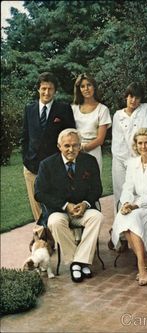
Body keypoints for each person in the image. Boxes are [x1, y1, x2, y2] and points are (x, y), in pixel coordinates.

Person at [34, 128, 104, 283]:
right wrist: (66, 205)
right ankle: (76, 262)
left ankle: (79, 261)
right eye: (67, 146)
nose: (71, 149)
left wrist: (85, 204)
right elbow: (39, 193)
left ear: (80, 146)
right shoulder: (47, 165)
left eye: (75, 145)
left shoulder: (89, 161)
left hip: (83, 209)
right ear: (59, 146)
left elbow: (97, 189)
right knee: (55, 222)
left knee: (97, 217)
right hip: (60, 210)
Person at [111, 128, 147, 286]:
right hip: (136, 204)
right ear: (135, 146)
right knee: (125, 216)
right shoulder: (132, 163)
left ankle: (141, 265)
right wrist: (125, 203)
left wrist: (135, 205)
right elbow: (128, 187)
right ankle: (143, 260)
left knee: (132, 217)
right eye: (140, 143)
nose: (143, 146)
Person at [22, 72, 76, 222]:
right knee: (36, 205)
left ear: (55, 90)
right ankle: (42, 236)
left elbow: (71, 136)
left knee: (55, 203)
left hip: (55, 166)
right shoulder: (29, 109)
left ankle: (56, 234)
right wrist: (26, 160)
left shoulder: (64, 109)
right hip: (31, 166)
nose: (46, 92)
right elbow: (25, 137)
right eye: (43, 88)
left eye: (50, 89)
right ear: (38, 89)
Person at [111, 82, 147, 215]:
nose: (133, 100)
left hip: (140, 158)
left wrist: (137, 159)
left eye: (137, 97)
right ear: (126, 97)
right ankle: (120, 227)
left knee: (139, 192)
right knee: (120, 192)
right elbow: (118, 141)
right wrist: (126, 161)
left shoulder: (146, 109)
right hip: (120, 159)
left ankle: (136, 227)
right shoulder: (118, 115)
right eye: (130, 97)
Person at [71, 73, 111, 174]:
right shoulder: (73, 108)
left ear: (94, 87)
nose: (86, 89)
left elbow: (100, 139)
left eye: (89, 85)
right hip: (74, 150)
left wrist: (83, 148)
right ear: (79, 89)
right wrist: (75, 149)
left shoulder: (102, 109)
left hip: (93, 151)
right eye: (82, 86)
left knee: (92, 184)